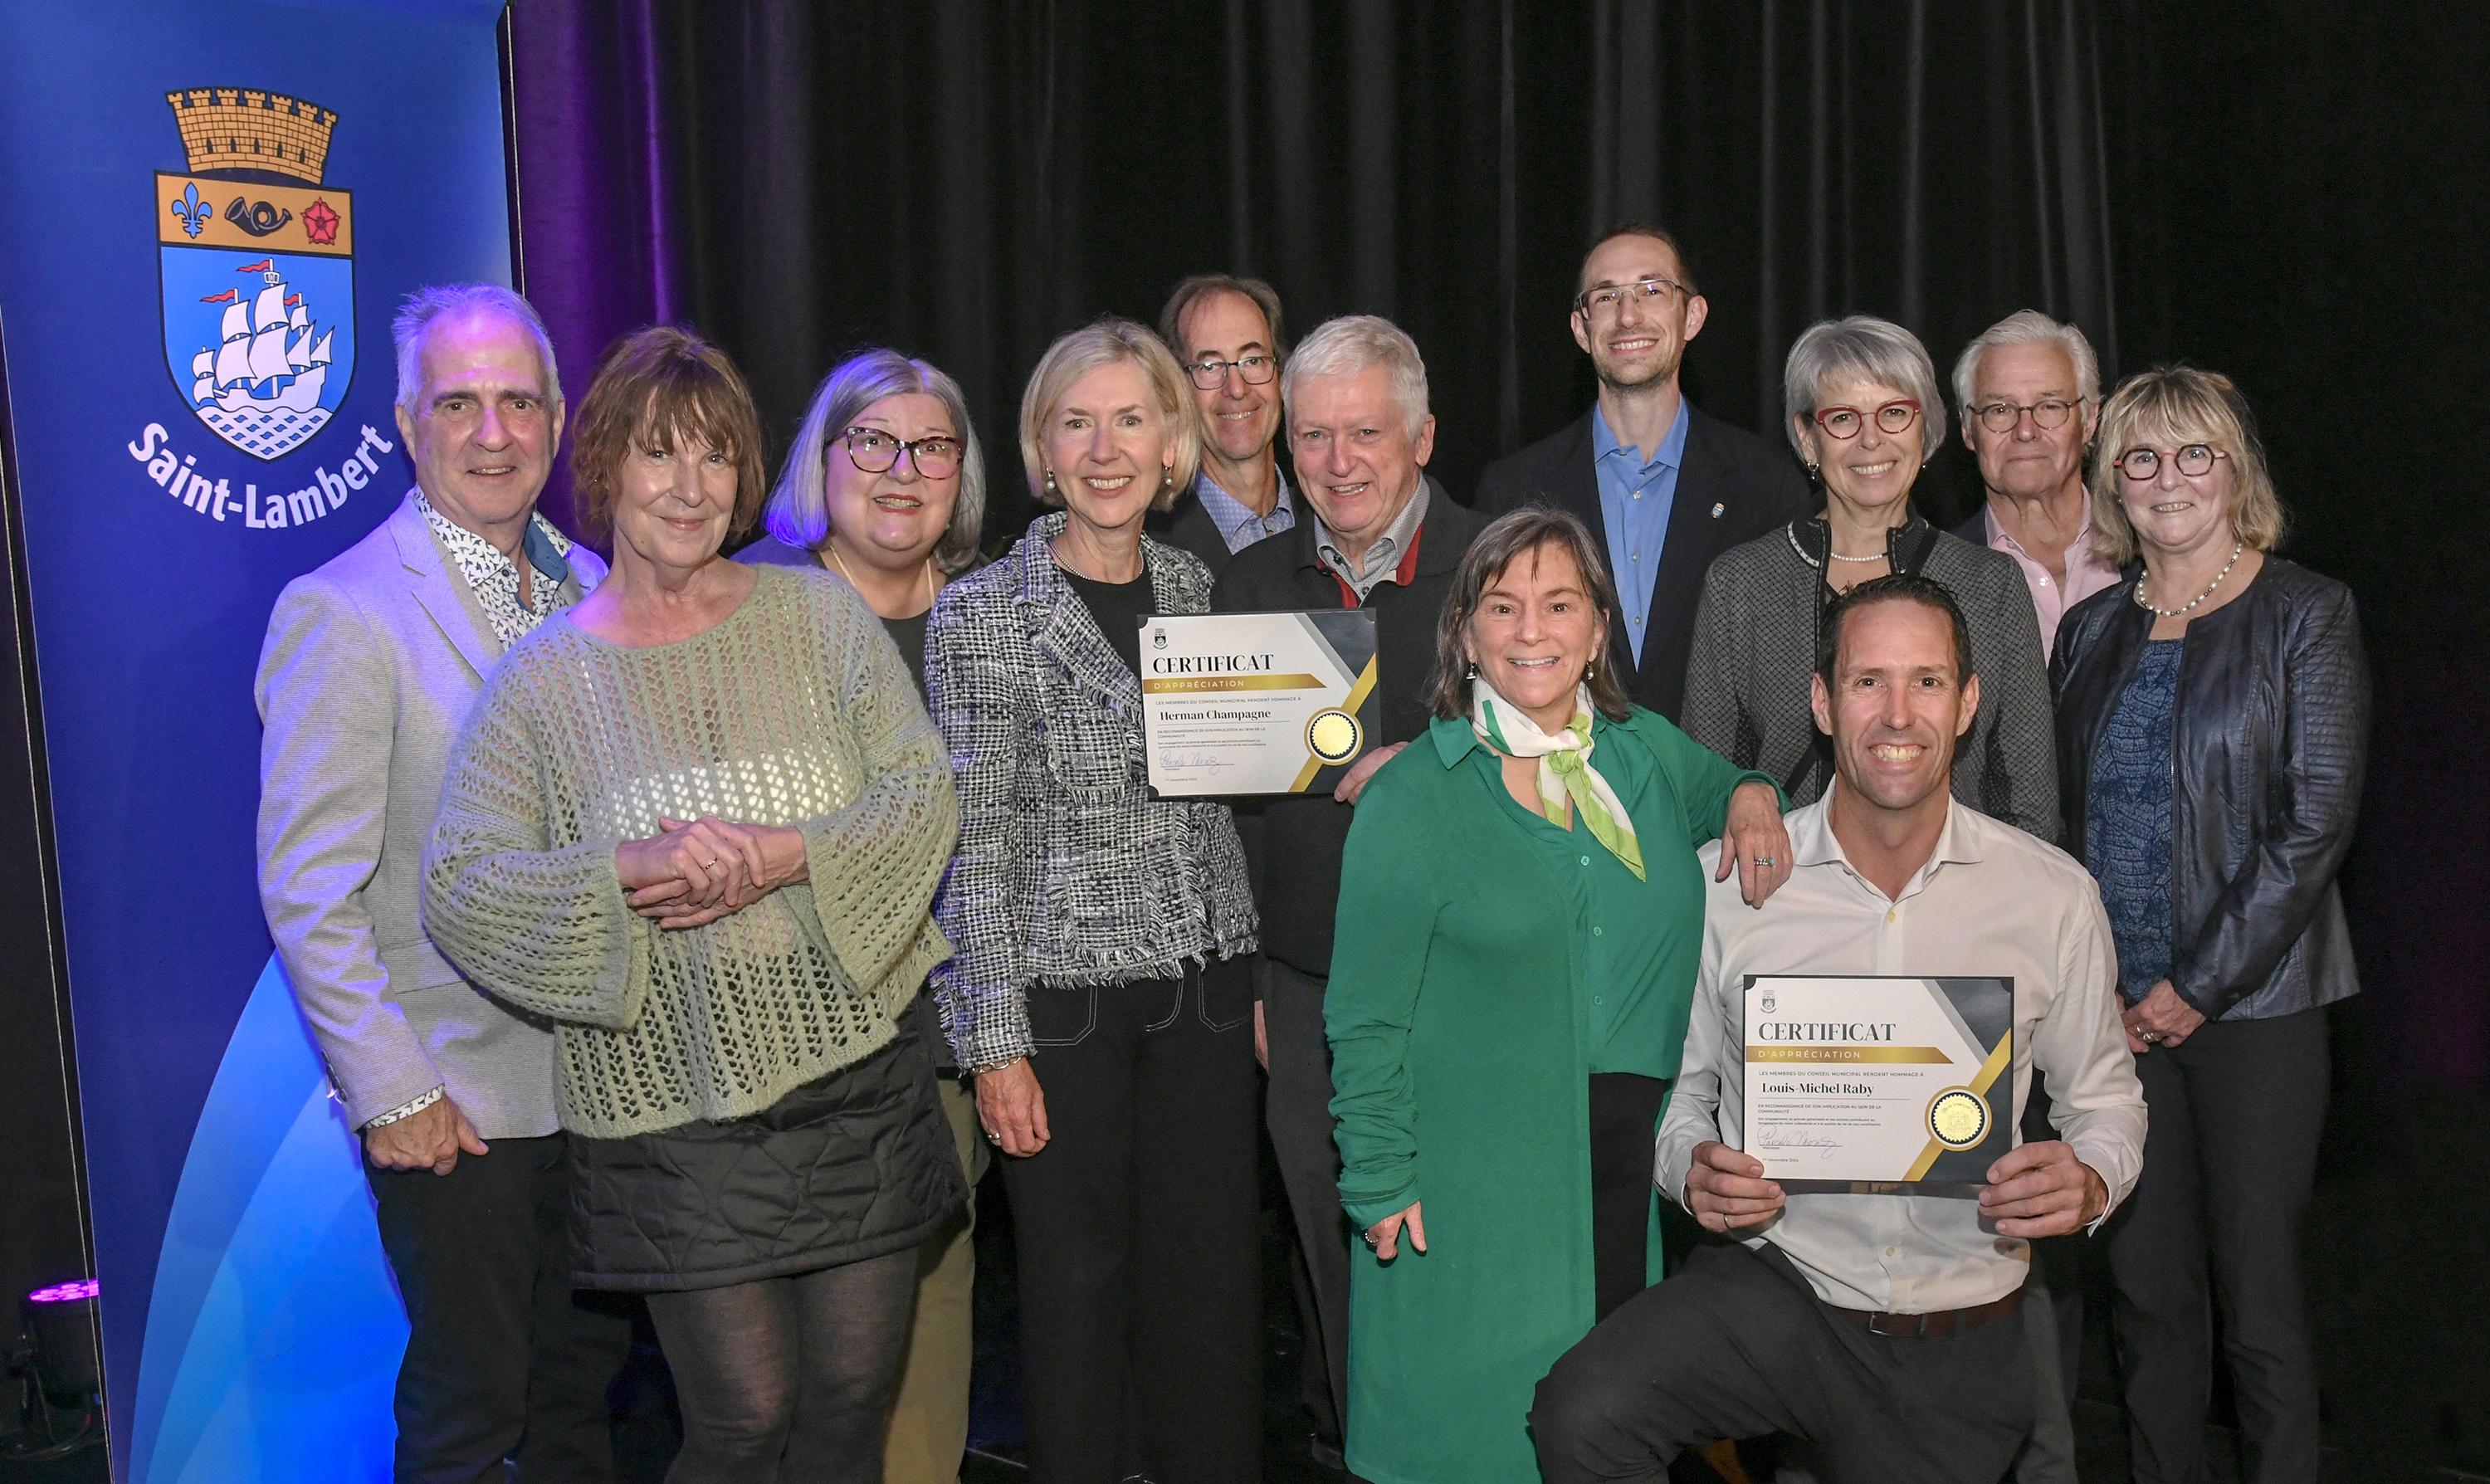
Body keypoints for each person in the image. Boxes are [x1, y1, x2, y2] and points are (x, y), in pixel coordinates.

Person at [422, 326, 964, 1484]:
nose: (690, 487)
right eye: (661, 456)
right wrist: (622, 870)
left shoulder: (818, 619)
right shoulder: (542, 683)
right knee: (742, 1418)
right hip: (673, 1111)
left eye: (717, 458)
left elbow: (921, 793)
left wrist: (782, 855)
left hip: (858, 1082)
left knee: (853, 1402)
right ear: (607, 466)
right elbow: (461, 889)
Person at [1531, 574, 2149, 1484]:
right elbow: (1680, 1097)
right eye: (1868, 682)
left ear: (1970, 702)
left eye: (1927, 682)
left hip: (1956, 1328)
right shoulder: (1726, 886)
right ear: (1823, 702)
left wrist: (2091, 1179)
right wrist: (1690, 1170)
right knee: (1583, 1414)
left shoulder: (2050, 897)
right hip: (1778, 1290)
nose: (1897, 714)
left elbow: (2107, 1103)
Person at [1322, 507, 1792, 1484]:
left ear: (1597, 632)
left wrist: (1750, 792)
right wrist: (1377, 1173)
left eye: (1558, 604)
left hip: (1627, 1172)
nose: (1531, 630)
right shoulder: (1415, 796)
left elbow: (1739, 789)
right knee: (1470, 1433)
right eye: (1503, 606)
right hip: (1472, 1177)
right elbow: (1365, 1015)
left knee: (1600, 1434)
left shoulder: (1646, 753)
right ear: (1466, 633)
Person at [255, 282, 630, 1483]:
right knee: (474, 1414)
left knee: (581, 1404)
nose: (493, 433)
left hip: (609, 1095)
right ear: (408, 426)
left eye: (519, 402)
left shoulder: (596, 585)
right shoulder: (345, 612)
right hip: (456, 1108)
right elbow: (307, 889)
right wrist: (393, 1091)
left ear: (560, 420)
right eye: (458, 403)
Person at [926, 319, 1262, 1484]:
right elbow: (977, 847)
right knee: (1074, 1303)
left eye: (1132, 419)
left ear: (1173, 441)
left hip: (1208, 1001)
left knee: (1211, 1298)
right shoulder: (982, 616)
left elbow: (1229, 803)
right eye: (1079, 422)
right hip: (1062, 1013)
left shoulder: (1200, 590)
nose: (1107, 448)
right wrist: (993, 1041)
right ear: (1042, 445)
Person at [2053, 366, 2368, 1484]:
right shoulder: (2089, 632)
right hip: (2118, 1029)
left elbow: (2314, 823)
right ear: (2114, 486)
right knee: (2146, 1304)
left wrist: (2193, 989)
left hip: (2258, 1015)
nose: (2168, 479)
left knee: (2260, 1306)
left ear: (2237, 473)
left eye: (2195, 454)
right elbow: (2062, 831)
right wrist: (2104, 1001)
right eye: (2141, 458)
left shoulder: (2306, 612)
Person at [1206, 314, 1487, 1469]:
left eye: (1365, 432)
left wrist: (1437, 763)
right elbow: (1219, 811)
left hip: (1474, 980)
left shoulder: (1504, 564)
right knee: (1331, 1248)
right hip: (1308, 985)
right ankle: (1350, 1448)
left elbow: (1584, 749)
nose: (1337, 462)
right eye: (1313, 435)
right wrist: (1253, 979)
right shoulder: (1247, 584)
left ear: (1421, 435)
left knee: (1461, 1242)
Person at [738, 346, 989, 1484]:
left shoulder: (993, 620)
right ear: (822, 461)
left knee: (921, 1374)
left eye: (931, 446)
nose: (902, 470)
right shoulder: (744, 604)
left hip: (947, 1055)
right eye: (872, 442)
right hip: (772, 1066)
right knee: (773, 1390)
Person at [1682, 315, 2060, 842]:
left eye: (1894, 414)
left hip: (1956, 902)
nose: (1871, 440)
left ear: (1926, 427)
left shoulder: (1990, 585)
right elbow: (1703, 788)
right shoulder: (1741, 583)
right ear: (1807, 438)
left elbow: (2030, 804)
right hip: (1784, 902)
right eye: (1842, 419)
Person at [1475, 222, 1812, 721]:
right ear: (1580, 328)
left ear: (1692, 316)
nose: (1628, 316)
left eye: (1652, 291)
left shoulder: (1767, 486)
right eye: (1607, 297)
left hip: (1716, 790)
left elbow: (1789, 676)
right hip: (1555, 788)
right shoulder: (1513, 491)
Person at [1953, 310, 2121, 660]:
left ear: (2089, 421)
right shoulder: (1936, 576)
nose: (2025, 431)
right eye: (1999, 410)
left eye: (2049, 406)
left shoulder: (2151, 554)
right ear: (1968, 429)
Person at [1150, 273, 1297, 575]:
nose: (1237, 389)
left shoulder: (1332, 522)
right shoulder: (1149, 547)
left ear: (1281, 375)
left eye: (1254, 361)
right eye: (1209, 366)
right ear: (1178, 390)